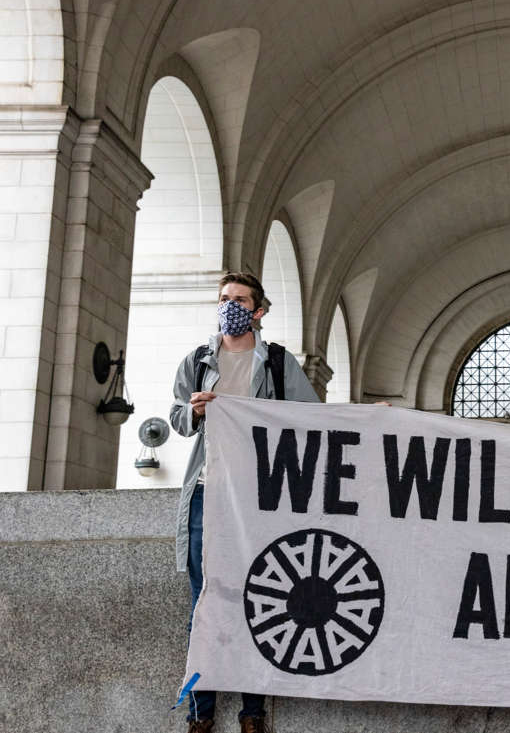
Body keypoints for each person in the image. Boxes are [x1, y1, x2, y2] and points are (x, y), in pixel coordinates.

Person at [169, 272, 321, 733]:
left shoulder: (276, 363)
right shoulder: (197, 360)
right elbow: (176, 418)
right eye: (223, 299)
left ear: (258, 310)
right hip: (205, 490)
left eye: (239, 300)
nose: (229, 306)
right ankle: (201, 712)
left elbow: (310, 417)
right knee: (204, 602)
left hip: (259, 497)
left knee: (260, 598)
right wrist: (194, 411)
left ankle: (252, 712)